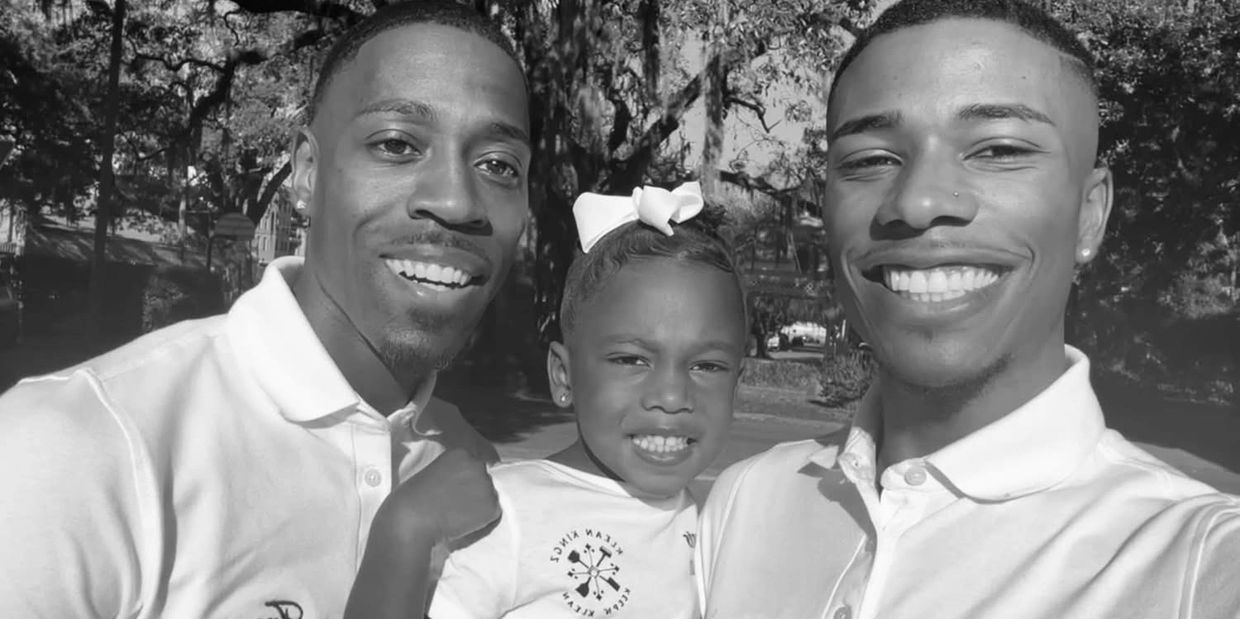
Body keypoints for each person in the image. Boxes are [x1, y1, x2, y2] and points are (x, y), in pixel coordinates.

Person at [695, 1, 1240, 618]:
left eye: (998, 150)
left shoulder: (1194, 562)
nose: (919, 202)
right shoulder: (746, 502)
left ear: (1089, 214)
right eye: (871, 159)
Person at [0, 2, 530, 617]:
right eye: (397, 145)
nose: (456, 201)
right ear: (306, 173)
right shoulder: (75, 450)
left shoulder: (482, 473)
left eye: (499, 165)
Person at [344, 183, 749, 619]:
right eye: (631, 360)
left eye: (707, 366)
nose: (671, 397)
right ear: (563, 375)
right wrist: (406, 528)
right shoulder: (505, 511)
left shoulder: (717, 530)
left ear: (737, 384)